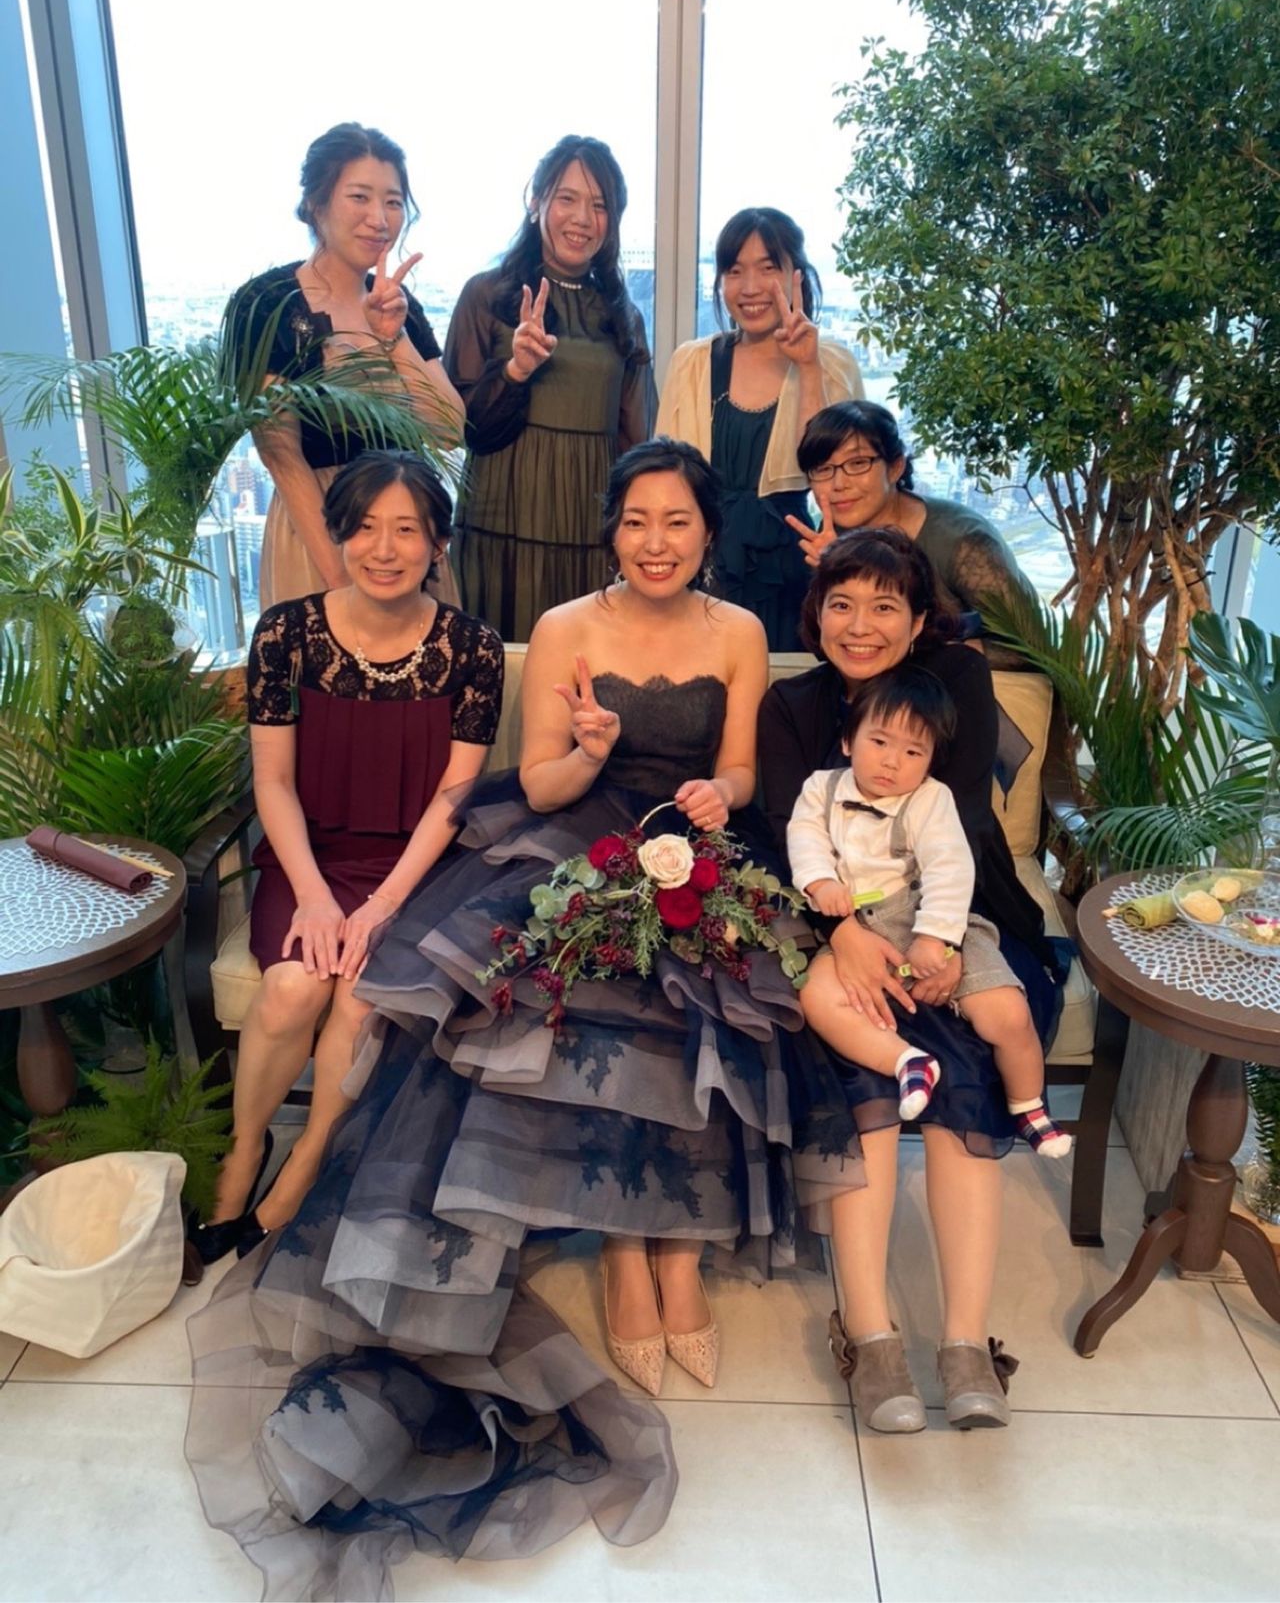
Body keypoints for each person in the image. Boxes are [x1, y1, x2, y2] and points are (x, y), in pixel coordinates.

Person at [185, 441, 863, 1600]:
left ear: (707, 533)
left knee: (708, 994)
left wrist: (721, 794)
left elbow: (744, 771)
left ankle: (675, 1255)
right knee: (565, 997)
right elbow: (538, 781)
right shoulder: (560, 627)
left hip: (693, 844)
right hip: (571, 836)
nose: (656, 541)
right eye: (636, 520)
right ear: (611, 529)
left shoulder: (739, 632)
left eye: (677, 522)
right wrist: (588, 750)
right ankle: (621, 1251)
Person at [759, 527, 1066, 1435]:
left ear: (919, 617)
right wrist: (844, 937)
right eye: (842, 604)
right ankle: (872, 1340)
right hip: (833, 932)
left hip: (957, 921)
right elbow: (786, 838)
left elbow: (956, 827)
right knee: (865, 1079)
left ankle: (966, 1345)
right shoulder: (791, 705)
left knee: (968, 1074)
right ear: (815, 614)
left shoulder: (953, 682)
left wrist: (939, 943)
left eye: (885, 605)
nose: (861, 625)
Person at [190, 450, 503, 1263]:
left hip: (418, 871)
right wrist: (316, 897)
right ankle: (245, 1149)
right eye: (364, 528)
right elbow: (272, 781)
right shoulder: (286, 633)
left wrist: (380, 906)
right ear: (338, 534)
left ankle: (307, 1160)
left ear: (438, 544)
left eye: (406, 530)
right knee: (294, 986)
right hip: (310, 860)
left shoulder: (471, 648)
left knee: (361, 1001)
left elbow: (454, 797)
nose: (384, 549)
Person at [788, 663, 1071, 1156]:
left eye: (913, 752)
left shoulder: (930, 798)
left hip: (925, 912)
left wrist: (936, 938)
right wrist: (820, 881)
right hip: (858, 923)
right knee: (816, 996)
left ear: (931, 761)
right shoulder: (821, 788)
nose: (892, 762)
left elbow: (949, 868)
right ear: (849, 741)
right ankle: (908, 1062)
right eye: (880, 742)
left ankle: (1028, 1106)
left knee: (1007, 1013)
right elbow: (804, 835)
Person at [224, 122, 465, 609]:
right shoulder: (268, 303)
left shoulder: (400, 304)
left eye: (393, 202)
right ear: (317, 203)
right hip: (318, 533)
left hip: (408, 530)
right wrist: (341, 580)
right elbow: (281, 454)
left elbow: (448, 429)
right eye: (359, 197)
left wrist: (393, 336)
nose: (379, 218)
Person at [444, 135, 656, 640]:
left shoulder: (624, 316)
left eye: (599, 205)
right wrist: (515, 371)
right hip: (500, 528)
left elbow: (636, 444)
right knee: (499, 665)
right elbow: (459, 425)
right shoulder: (486, 295)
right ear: (536, 201)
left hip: (589, 531)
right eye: (567, 198)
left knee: (585, 667)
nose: (582, 218)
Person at [656, 208, 864, 651]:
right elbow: (661, 482)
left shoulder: (833, 364)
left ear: (797, 276)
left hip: (793, 571)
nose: (750, 287)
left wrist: (808, 367)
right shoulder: (692, 362)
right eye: (734, 271)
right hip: (700, 566)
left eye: (768, 268)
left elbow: (832, 481)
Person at [786, 400, 1038, 665]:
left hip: (964, 682)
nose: (839, 484)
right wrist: (831, 572)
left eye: (858, 463)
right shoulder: (834, 533)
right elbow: (826, 645)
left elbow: (1030, 646)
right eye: (823, 469)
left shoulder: (962, 540)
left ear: (896, 467)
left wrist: (933, 654)